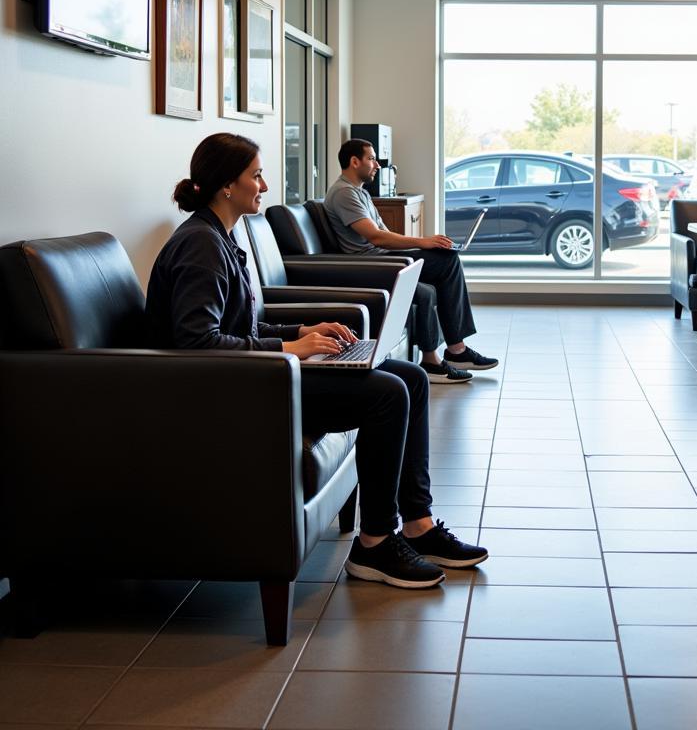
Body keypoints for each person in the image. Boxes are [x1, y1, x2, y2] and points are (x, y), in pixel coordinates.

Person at [145, 132, 487, 589]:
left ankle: (418, 525)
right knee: (388, 393)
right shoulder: (200, 246)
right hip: (234, 393)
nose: (264, 186)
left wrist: (301, 331)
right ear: (227, 184)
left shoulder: (221, 237)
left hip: (255, 376)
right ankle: (374, 544)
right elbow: (197, 343)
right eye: (257, 175)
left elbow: (240, 328)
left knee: (412, 378)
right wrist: (290, 350)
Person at [324, 138, 499, 384]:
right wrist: (422, 242)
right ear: (354, 162)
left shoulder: (358, 192)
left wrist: (424, 243)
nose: (377, 164)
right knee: (443, 266)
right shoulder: (344, 194)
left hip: (384, 258)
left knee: (446, 259)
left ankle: (452, 351)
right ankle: (451, 352)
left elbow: (381, 233)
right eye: (371, 158)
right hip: (373, 264)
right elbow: (376, 238)